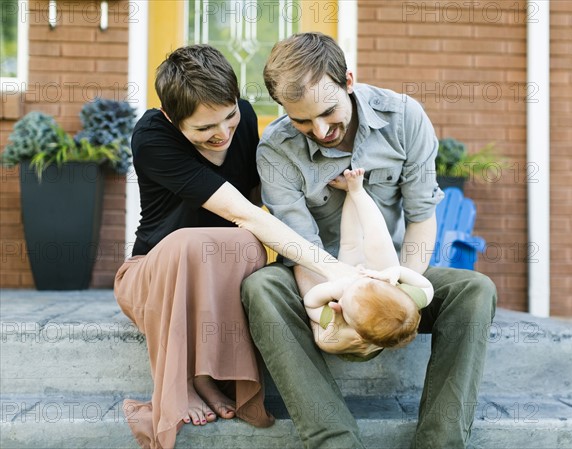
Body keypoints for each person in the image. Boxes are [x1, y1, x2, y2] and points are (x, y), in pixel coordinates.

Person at [241, 32, 497, 448]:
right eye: (302, 121)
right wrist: (333, 315)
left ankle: (439, 441)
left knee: (474, 289)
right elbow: (299, 249)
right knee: (262, 286)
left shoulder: (404, 119)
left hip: (394, 270)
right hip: (321, 281)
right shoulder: (276, 150)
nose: (320, 130)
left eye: (327, 112)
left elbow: (421, 219)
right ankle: (335, 440)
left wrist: (397, 293)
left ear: (348, 81)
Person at [113, 44, 356, 449]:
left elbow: (266, 198)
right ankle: (187, 381)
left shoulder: (242, 122)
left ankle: (207, 374)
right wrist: (336, 270)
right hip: (153, 276)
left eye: (229, 117)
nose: (223, 133)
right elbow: (246, 212)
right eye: (205, 129)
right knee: (197, 242)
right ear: (173, 120)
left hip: (220, 275)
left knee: (245, 246)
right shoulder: (152, 136)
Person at [303, 167, 434, 359]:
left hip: (348, 268)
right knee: (378, 239)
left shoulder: (340, 319)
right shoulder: (406, 297)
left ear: (355, 328)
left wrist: (334, 290)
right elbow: (426, 287)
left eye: (347, 295)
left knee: (349, 243)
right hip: (382, 272)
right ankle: (358, 191)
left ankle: (351, 191)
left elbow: (310, 304)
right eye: (364, 285)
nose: (356, 282)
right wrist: (396, 273)